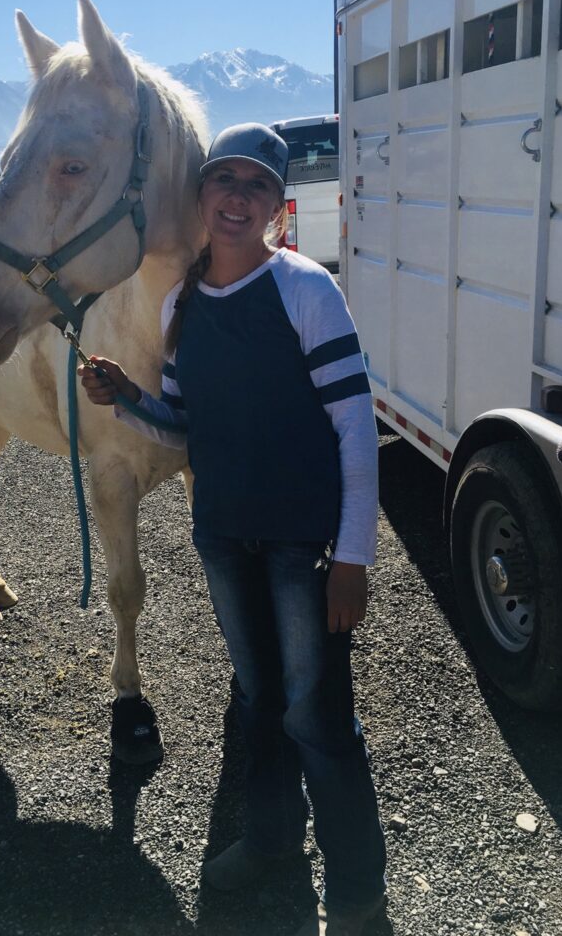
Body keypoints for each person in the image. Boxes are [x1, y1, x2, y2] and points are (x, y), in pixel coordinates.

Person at [79, 122, 386, 936]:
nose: (238, 198)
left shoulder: (306, 290)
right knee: (256, 702)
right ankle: (273, 841)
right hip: (222, 537)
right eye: (225, 182)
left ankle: (359, 894)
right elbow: (184, 422)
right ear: (202, 196)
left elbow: (355, 428)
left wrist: (352, 556)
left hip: (298, 547)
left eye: (257, 185)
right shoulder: (183, 303)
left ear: (276, 208)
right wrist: (128, 398)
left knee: (316, 715)